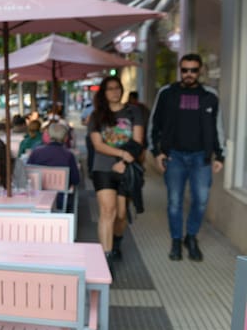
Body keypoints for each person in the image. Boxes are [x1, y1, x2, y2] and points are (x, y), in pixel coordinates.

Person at [148, 53, 225, 261]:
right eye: (185, 70)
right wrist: (156, 152)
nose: (189, 74)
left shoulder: (210, 95)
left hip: (201, 157)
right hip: (174, 156)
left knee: (201, 200)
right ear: (180, 70)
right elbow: (154, 124)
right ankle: (176, 240)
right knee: (174, 201)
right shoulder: (167, 93)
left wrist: (220, 155)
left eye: (193, 70)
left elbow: (217, 126)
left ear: (200, 71)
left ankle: (191, 237)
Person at [89, 75, 144, 269]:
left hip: (126, 169)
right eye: (110, 88)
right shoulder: (97, 116)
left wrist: (123, 161)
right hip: (102, 167)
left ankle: (117, 241)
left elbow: (138, 140)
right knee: (107, 211)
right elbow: (98, 145)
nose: (114, 92)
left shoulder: (133, 111)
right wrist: (120, 154)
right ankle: (106, 257)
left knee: (121, 215)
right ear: (104, 93)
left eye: (117, 88)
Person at [27, 123, 81, 210]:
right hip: (61, 199)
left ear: (48, 136)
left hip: (37, 197)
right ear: (65, 138)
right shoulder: (68, 155)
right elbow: (76, 179)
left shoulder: (36, 152)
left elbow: (28, 174)